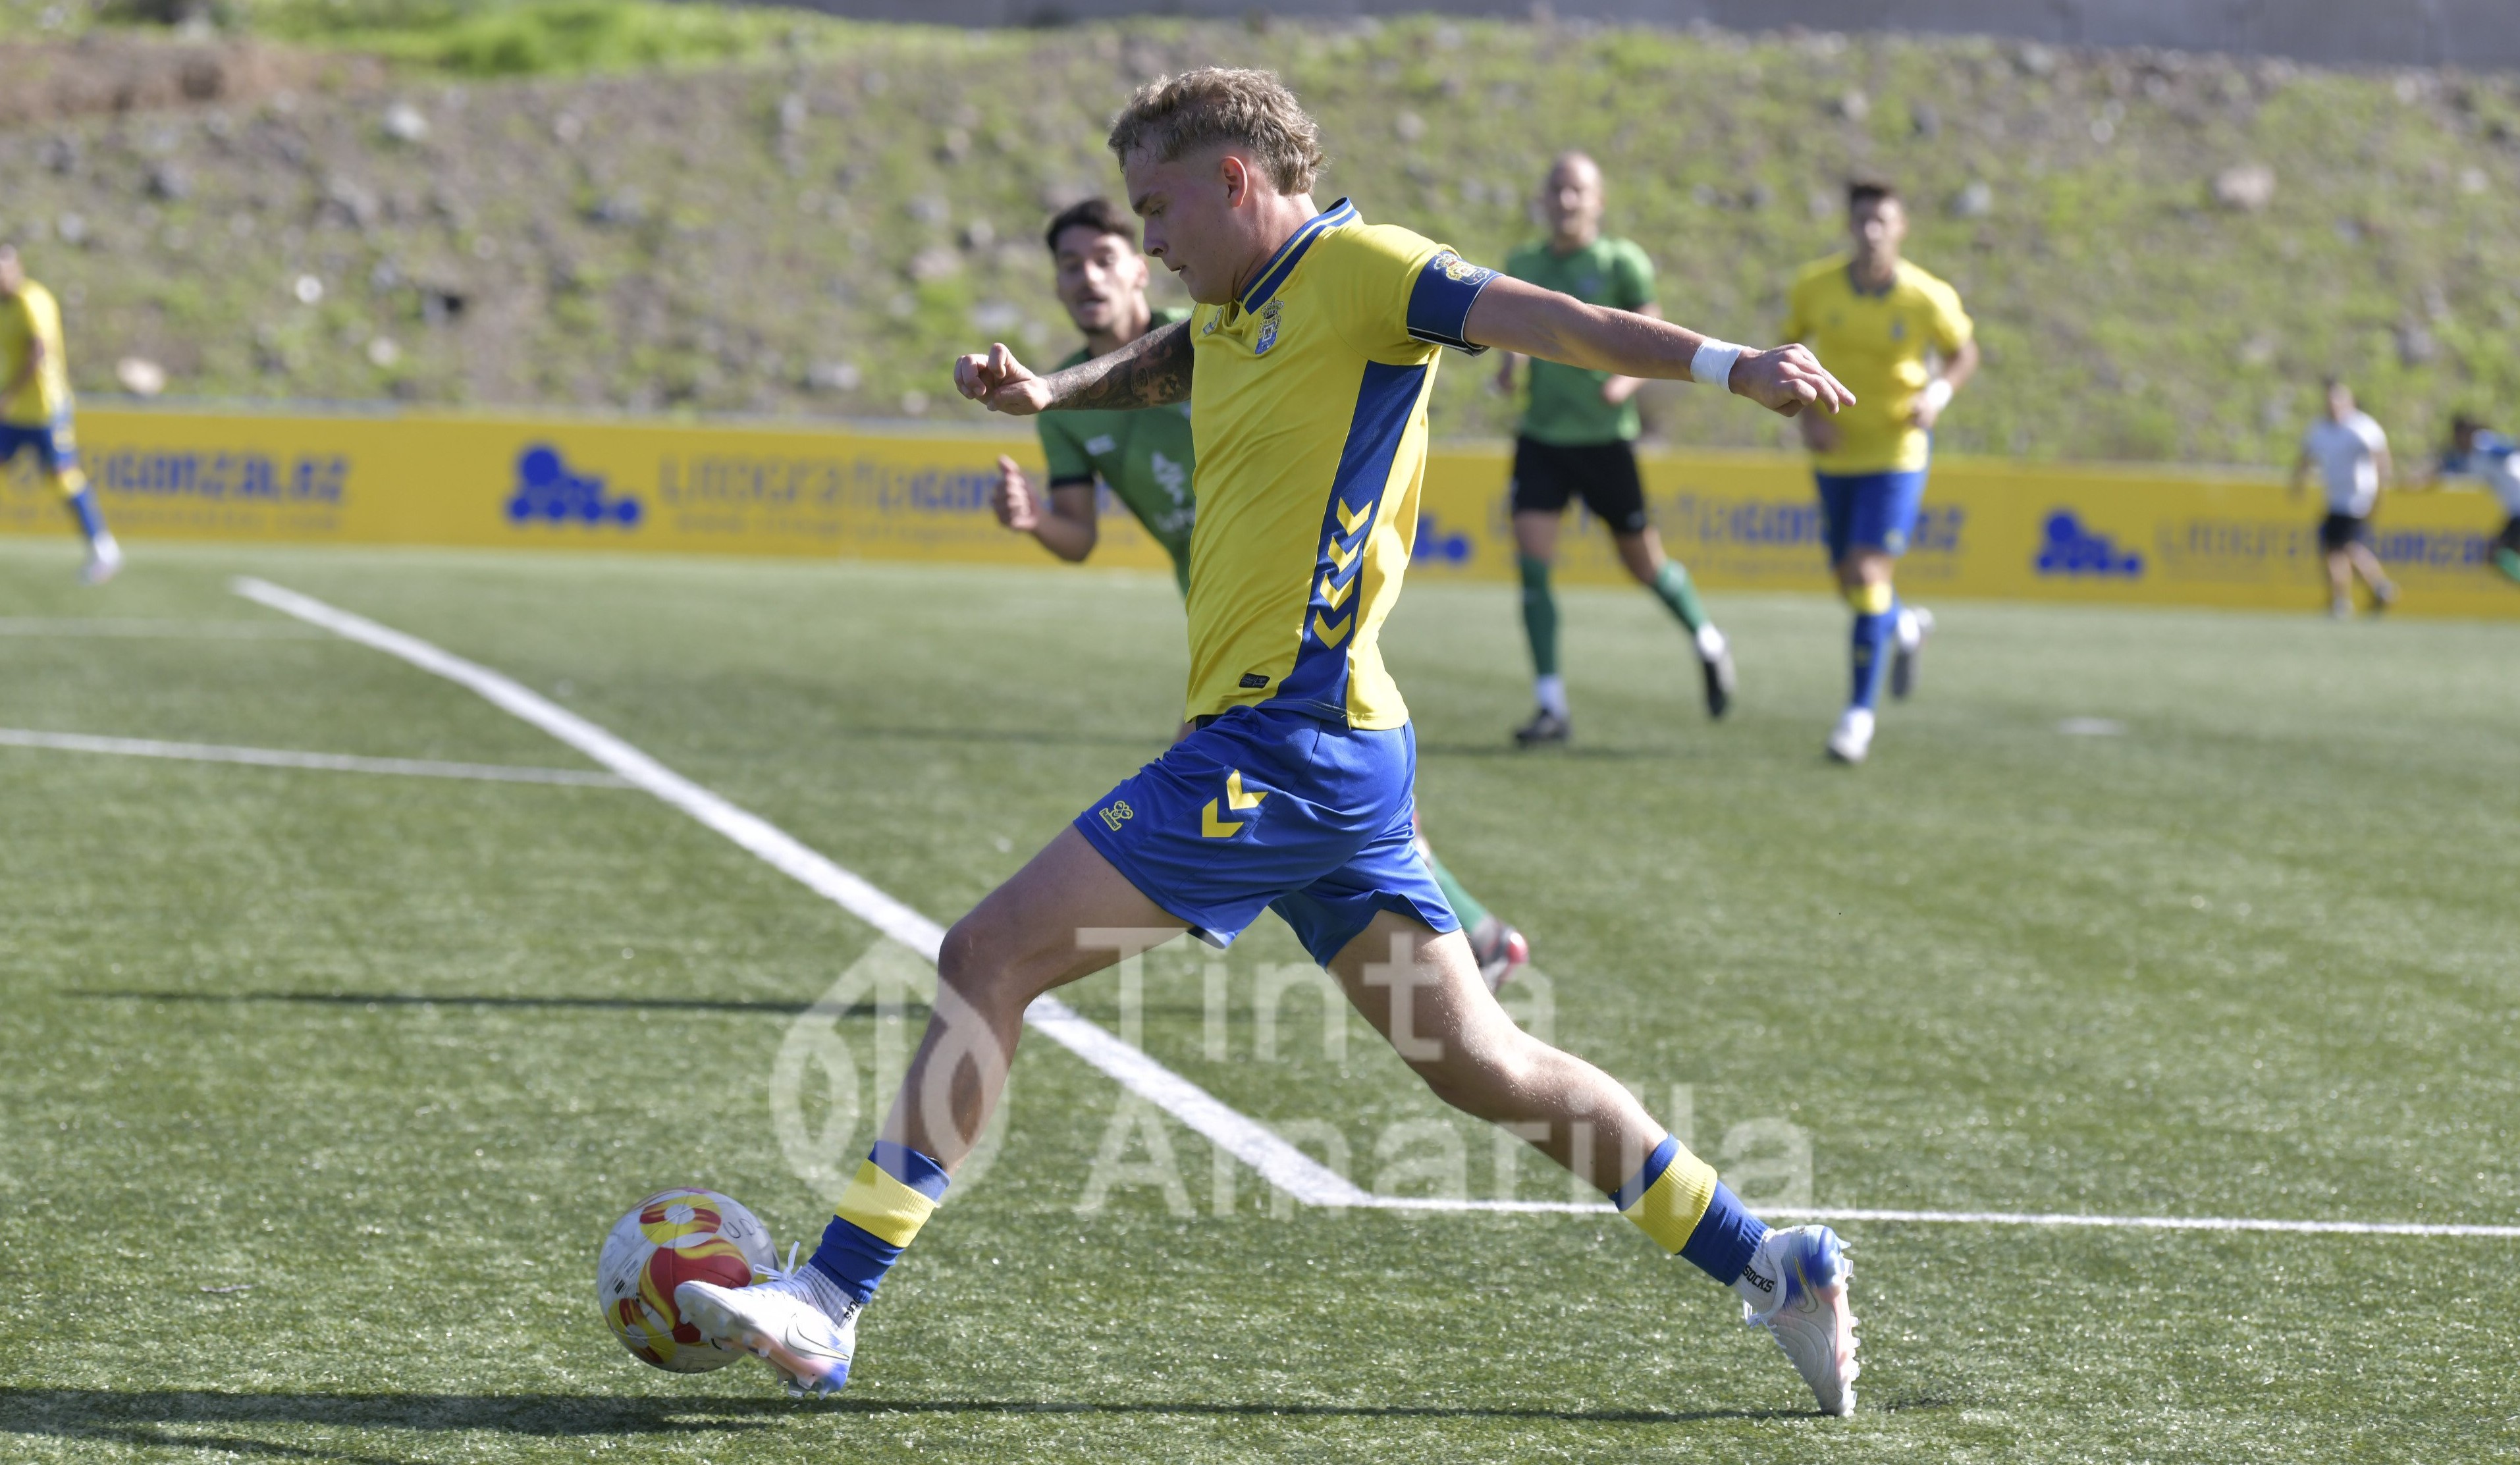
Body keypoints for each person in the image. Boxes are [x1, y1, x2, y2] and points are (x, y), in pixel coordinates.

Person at [676, 68, 1862, 1418]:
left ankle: (825, 1301)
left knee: (984, 953)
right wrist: (1052, 390)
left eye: (1158, 207)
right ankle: (1771, 1257)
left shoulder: (1365, 269)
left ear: (1235, 179)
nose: (1154, 241)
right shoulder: (1237, 307)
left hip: (1279, 740)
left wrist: (1727, 365)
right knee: (1483, 1065)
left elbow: (1561, 320)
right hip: (1337, 750)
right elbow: (1175, 355)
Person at [993, 197, 1531, 989]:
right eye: (1069, 266)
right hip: (1219, 610)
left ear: (1141, 266)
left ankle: (1463, 942)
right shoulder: (1069, 402)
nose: (1086, 278)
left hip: (1304, 596)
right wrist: (1036, 521)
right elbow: (1078, 536)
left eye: (1103, 259)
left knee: (1242, 778)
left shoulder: (1216, 327)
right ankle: (1473, 940)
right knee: (1295, 793)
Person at [1493, 153, 1734, 746]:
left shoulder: (1622, 263)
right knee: (1531, 564)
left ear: (1598, 201)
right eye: (1557, 189)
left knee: (1643, 564)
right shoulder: (1523, 263)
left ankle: (1708, 641)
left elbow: (1653, 334)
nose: (1566, 200)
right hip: (1543, 438)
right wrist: (1508, 367)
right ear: (1544, 198)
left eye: (1577, 190)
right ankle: (1551, 705)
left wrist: (1622, 383)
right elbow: (1511, 334)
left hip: (1604, 441)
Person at [1781, 180, 1977, 764]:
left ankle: (1856, 718)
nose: (1872, 231)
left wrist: (1937, 394)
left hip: (1897, 452)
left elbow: (1963, 352)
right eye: (1862, 220)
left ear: (1901, 228)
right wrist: (1804, 418)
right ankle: (1905, 624)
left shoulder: (1926, 296)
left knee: (1867, 573)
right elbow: (1787, 346)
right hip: (1835, 449)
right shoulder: (1814, 287)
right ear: (1849, 226)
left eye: (1882, 221)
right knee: (1850, 582)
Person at [0, 245, 119, 584]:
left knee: (64, 477)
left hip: (45, 410)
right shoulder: (4, 307)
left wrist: (8, 394)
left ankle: (103, 547)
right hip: (13, 414)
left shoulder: (31, 300)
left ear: (16, 269)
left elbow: (38, 351)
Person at [2290, 379, 2399, 617]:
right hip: (2334, 496)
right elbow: (2306, 456)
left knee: (2335, 549)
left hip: (2357, 495)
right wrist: (2299, 481)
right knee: (2347, 547)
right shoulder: (2321, 428)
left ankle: (2341, 601)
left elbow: (2380, 455)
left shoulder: (2360, 426)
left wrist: (2383, 486)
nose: (2333, 405)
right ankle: (2379, 586)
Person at [2432, 413, 2520, 585]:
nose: (2457, 441)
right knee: (2494, 555)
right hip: (2515, 512)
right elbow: (2452, 468)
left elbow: (2509, 448)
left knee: (2494, 554)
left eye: (2458, 436)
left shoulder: (2484, 444)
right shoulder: (2472, 456)